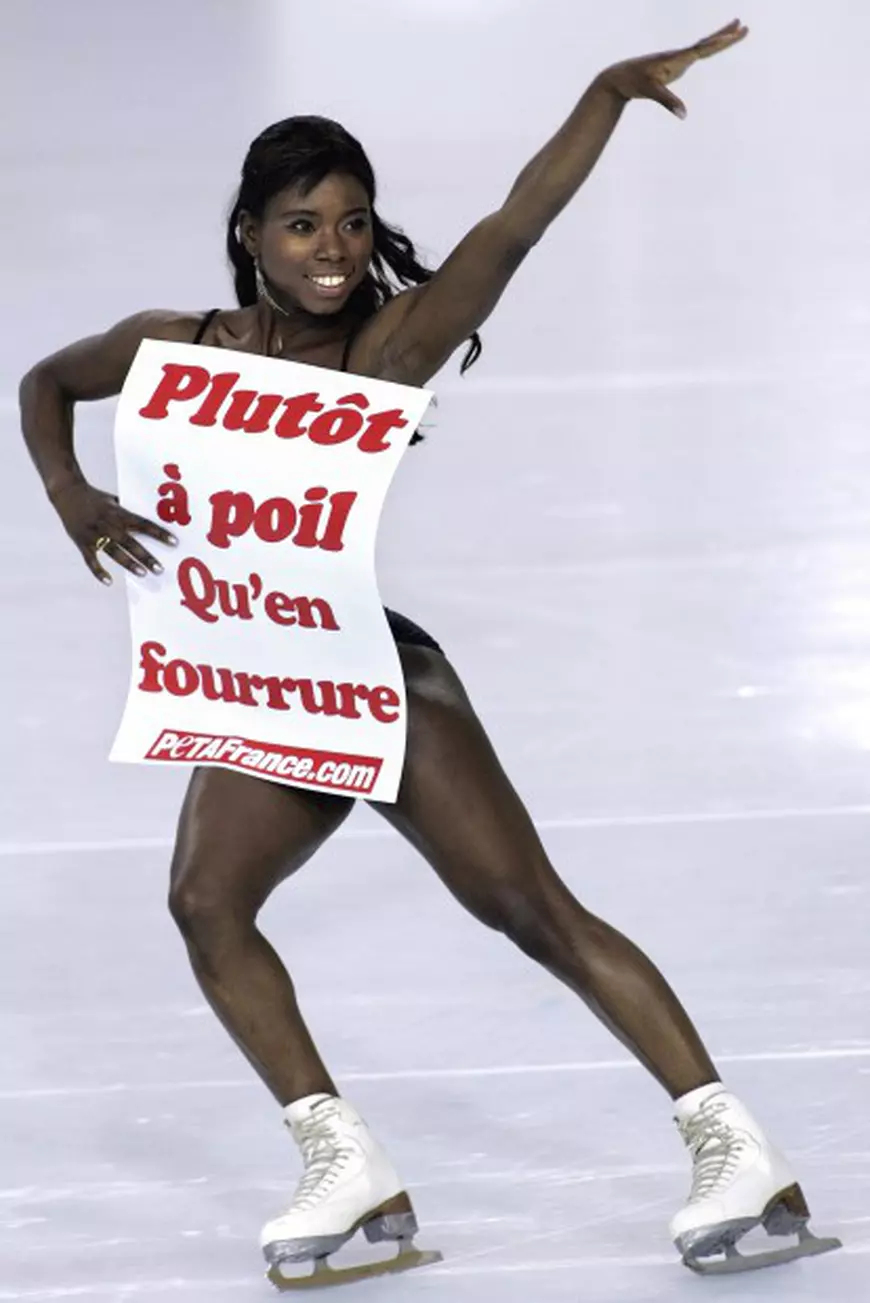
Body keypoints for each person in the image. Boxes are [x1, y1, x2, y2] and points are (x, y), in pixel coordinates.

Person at [19, 18, 839, 1288]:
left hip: (375, 679)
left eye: (353, 222)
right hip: (258, 683)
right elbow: (44, 382)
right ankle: (339, 1159)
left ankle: (738, 1149)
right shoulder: (177, 346)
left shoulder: (393, 346)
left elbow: (515, 224)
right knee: (205, 904)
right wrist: (71, 495)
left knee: (532, 914)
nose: (335, 249)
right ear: (251, 231)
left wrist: (604, 97)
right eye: (303, 224)